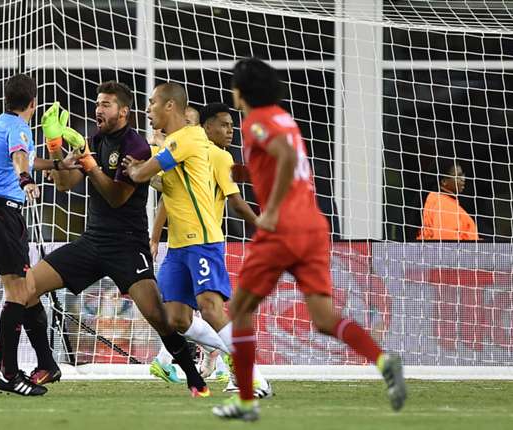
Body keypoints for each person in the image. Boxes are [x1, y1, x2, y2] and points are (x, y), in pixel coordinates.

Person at [0, 80, 209, 397]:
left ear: (124, 111)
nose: (98, 109)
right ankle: (42, 363)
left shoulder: (137, 146)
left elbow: (116, 197)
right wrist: (55, 145)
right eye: (97, 103)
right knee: (27, 287)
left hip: (128, 245)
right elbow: (64, 184)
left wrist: (90, 164)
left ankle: (194, 377)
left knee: (158, 316)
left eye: (106, 104)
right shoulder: (94, 140)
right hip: (92, 241)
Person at [211, 58, 407, 421]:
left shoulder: (255, 122)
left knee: (238, 310)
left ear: (242, 90)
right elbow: (285, 160)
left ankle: (247, 401)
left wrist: (270, 213)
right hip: (313, 227)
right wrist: (237, 170)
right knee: (324, 317)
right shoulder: (285, 120)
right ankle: (383, 360)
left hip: (282, 229)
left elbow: (284, 158)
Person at [148, 102, 271, 397]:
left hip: (204, 242)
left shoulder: (219, 156)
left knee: (211, 308)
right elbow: (166, 194)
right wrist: (154, 237)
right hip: (178, 246)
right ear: (206, 127)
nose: (231, 131)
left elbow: (237, 202)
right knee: (175, 318)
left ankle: (254, 377)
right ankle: (226, 355)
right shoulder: (185, 154)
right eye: (224, 125)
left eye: (232, 125)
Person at [0, 74, 80, 396]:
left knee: (23, 289)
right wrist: (24, 180)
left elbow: (30, 158)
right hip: (4, 212)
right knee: (20, 292)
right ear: (33, 103)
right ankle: (8, 372)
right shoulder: (19, 128)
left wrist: (59, 165)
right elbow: (20, 157)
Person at [416, 159, 478, 241]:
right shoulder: (444, 205)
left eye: (463, 174)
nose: (463, 178)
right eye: (458, 176)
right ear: (444, 181)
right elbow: (448, 243)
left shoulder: (438, 199)